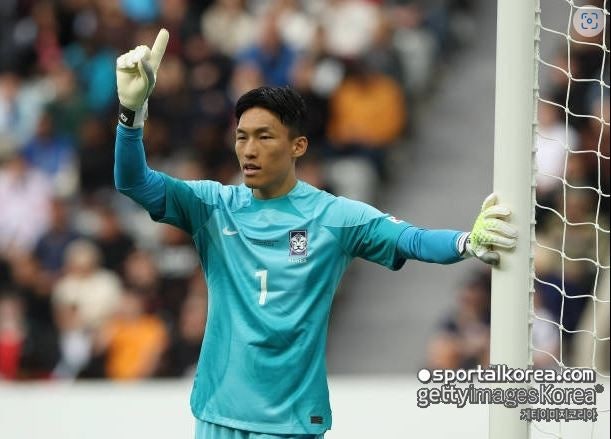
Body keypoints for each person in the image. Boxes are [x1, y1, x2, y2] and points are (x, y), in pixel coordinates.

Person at [114, 29, 518, 439]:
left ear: (298, 146)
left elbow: (410, 239)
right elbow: (133, 182)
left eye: (264, 137)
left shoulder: (332, 217)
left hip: (291, 424)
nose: (249, 150)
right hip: (219, 417)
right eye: (241, 137)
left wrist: (467, 243)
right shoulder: (212, 207)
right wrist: (131, 113)